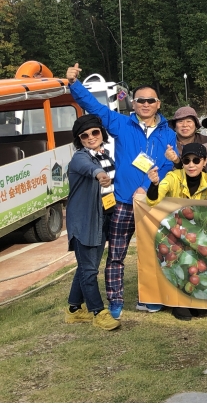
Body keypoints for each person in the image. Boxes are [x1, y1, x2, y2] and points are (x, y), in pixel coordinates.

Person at [66, 63, 176, 319]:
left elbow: (168, 164)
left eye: (150, 100)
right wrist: (74, 84)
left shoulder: (168, 133)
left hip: (152, 201)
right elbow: (94, 108)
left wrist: (147, 187)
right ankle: (115, 301)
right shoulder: (122, 124)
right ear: (133, 103)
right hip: (124, 202)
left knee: (156, 253)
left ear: (158, 103)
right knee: (116, 255)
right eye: (140, 100)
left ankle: (150, 296)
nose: (145, 104)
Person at [64, 114, 121, 331]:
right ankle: (98, 312)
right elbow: (91, 169)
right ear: (80, 139)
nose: (90, 137)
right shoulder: (80, 157)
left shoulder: (105, 155)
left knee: (87, 266)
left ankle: (73, 309)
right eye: (84, 135)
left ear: (101, 133)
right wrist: (100, 175)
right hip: (85, 220)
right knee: (89, 270)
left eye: (95, 132)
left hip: (103, 216)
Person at [146, 142, 207, 322]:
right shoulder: (173, 177)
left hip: (198, 233)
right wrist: (154, 184)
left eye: (196, 160)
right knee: (179, 261)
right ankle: (178, 302)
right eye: (186, 160)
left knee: (199, 265)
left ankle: (194, 299)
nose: (191, 164)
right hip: (174, 232)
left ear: (204, 162)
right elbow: (153, 200)